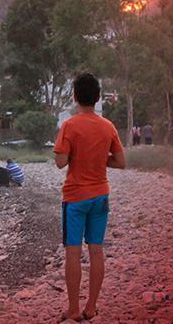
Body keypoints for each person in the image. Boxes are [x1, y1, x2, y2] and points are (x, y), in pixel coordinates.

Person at [53, 73, 125, 321]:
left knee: (72, 252)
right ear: (97, 98)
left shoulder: (70, 126)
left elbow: (60, 162)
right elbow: (120, 161)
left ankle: (73, 309)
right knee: (96, 250)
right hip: (100, 195)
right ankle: (91, 307)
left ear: (75, 97)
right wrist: (97, 158)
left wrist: (77, 155)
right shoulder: (108, 126)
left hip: (75, 198)